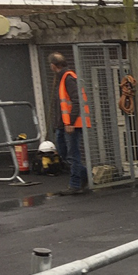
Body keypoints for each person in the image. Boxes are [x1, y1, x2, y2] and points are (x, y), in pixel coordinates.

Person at [49, 53, 89, 194]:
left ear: (53, 66)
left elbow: (76, 101)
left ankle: (75, 184)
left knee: (72, 154)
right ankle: (84, 175)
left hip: (70, 124)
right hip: (63, 124)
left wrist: (70, 122)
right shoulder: (64, 78)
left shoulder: (68, 78)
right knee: (65, 153)